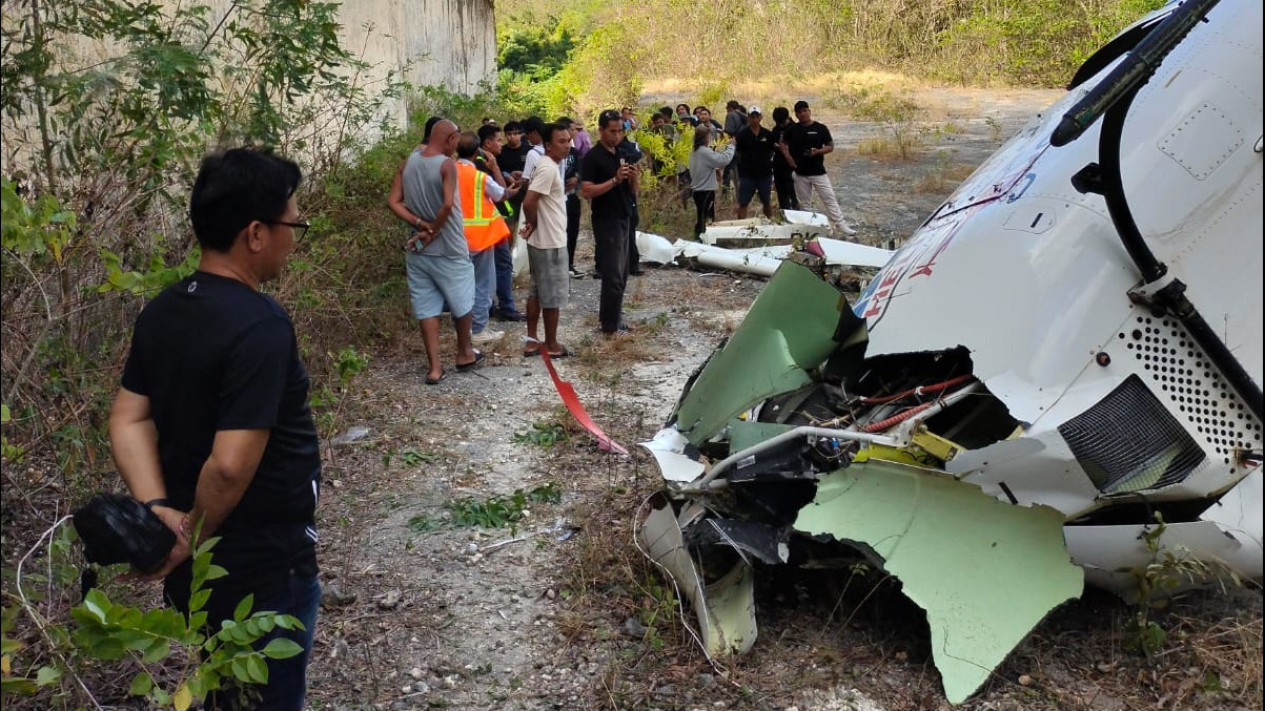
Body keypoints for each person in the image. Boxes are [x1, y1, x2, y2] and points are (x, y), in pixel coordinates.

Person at [109, 148, 321, 711]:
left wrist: (158, 508)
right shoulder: (261, 326)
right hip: (261, 559)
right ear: (255, 233)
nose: (294, 239)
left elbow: (128, 416)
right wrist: (190, 537)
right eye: (292, 224)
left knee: (222, 684)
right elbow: (229, 465)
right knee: (262, 695)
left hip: (198, 564)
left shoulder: (164, 308)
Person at [387, 119, 484, 384]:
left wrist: (419, 225)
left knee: (426, 306)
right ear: (450, 139)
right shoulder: (446, 165)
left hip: (417, 250)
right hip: (449, 247)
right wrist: (433, 230)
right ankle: (464, 352)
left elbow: (393, 201)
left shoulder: (410, 162)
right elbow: (447, 205)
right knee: (462, 301)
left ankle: (434, 367)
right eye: (456, 140)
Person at [580, 109, 639, 336]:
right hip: (606, 219)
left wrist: (633, 178)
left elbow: (634, 190)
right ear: (601, 130)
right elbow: (587, 190)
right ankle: (609, 326)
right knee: (612, 274)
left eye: (619, 131)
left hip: (624, 215)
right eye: (612, 131)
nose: (616, 136)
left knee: (622, 273)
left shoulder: (622, 153)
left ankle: (615, 317)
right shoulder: (593, 157)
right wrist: (614, 180)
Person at [455, 131, 515, 345]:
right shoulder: (480, 177)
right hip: (480, 239)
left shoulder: (447, 172)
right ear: (477, 152)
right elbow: (502, 195)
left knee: (460, 286)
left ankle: (462, 330)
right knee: (482, 285)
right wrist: (495, 167)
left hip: (453, 239)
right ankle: (478, 329)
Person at [519, 123, 573, 358]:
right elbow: (529, 201)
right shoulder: (548, 168)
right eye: (561, 141)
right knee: (551, 297)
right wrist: (533, 224)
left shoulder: (548, 165)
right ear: (548, 145)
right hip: (549, 241)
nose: (568, 146)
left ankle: (532, 341)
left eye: (569, 140)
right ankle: (551, 344)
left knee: (537, 292)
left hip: (545, 240)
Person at [779, 100, 857, 236]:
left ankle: (841, 224)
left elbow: (830, 146)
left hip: (818, 171)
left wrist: (818, 151)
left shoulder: (820, 128)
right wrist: (789, 158)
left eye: (805, 111)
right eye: (799, 112)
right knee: (805, 204)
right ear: (796, 114)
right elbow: (782, 144)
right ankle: (810, 229)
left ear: (809, 111)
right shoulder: (792, 130)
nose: (802, 114)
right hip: (800, 172)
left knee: (829, 198)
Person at [492, 121, 531, 322]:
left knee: (527, 234)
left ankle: (526, 265)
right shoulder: (500, 154)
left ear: (522, 135)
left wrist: (524, 178)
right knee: (507, 235)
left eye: (516, 133)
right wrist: (508, 176)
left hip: (528, 198)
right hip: (508, 201)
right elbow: (497, 173)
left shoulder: (530, 151)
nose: (512, 137)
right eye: (508, 134)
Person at [688, 124, 735, 239]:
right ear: (705, 138)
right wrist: (731, 147)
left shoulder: (695, 151)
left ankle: (700, 238)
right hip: (705, 190)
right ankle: (703, 240)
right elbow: (723, 160)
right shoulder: (704, 152)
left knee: (701, 215)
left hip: (697, 190)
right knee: (706, 218)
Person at [555, 117, 586, 278]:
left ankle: (570, 263)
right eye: (572, 129)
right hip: (558, 198)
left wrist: (576, 178)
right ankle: (559, 265)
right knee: (560, 232)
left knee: (573, 231)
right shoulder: (553, 155)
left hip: (572, 195)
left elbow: (580, 170)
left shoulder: (574, 152)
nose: (575, 132)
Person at [734, 106, 775, 220]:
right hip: (747, 175)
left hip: (764, 174)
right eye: (752, 117)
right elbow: (738, 152)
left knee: (766, 201)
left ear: (761, 117)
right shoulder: (742, 135)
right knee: (743, 202)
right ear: (748, 118)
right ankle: (741, 227)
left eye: (757, 116)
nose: (755, 119)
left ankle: (770, 223)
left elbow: (773, 150)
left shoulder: (767, 134)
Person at [769, 106, 799, 211]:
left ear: (787, 118)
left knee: (794, 192)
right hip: (778, 165)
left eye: (782, 122)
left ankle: (797, 211)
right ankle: (784, 212)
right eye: (778, 122)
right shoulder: (775, 130)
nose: (780, 124)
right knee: (781, 193)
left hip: (792, 165)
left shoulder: (796, 129)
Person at [721, 100, 747, 193]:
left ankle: (725, 194)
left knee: (727, 172)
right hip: (742, 147)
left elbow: (729, 130)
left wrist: (722, 132)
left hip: (733, 146)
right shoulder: (743, 116)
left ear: (730, 108)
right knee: (740, 172)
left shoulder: (731, 115)